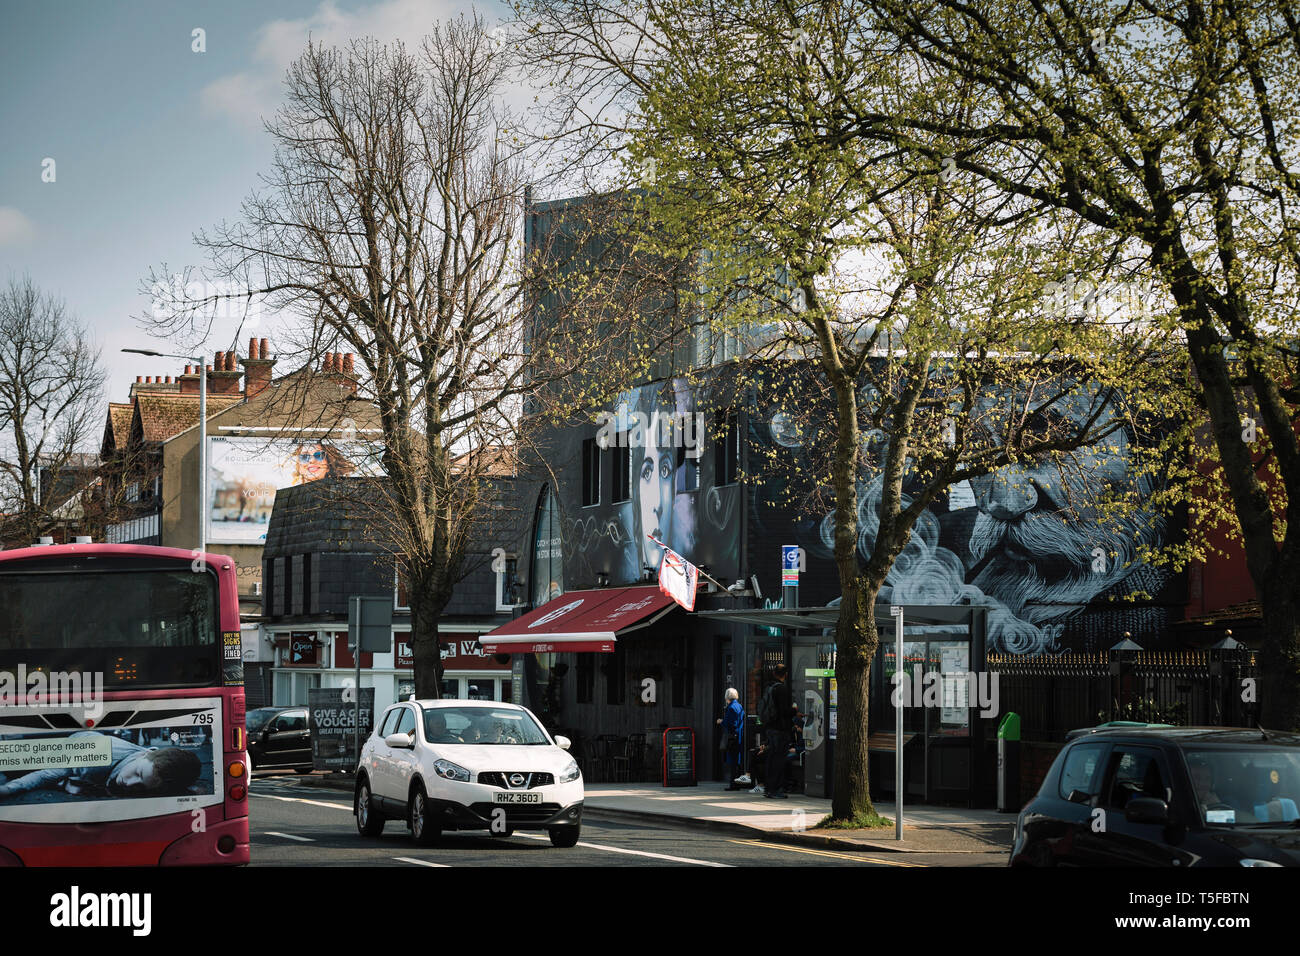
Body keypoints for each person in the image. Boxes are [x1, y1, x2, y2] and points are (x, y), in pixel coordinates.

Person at [0, 732, 201, 801]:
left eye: (141, 785)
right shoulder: (97, 756)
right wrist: (9, 789)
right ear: (146, 753)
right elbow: (45, 775)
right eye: (138, 773)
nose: (129, 783)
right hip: (62, 750)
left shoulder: (152, 763)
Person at [764, 665, 795, 799]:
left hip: (770, 728)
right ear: (785, 674)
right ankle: (775, 789)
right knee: (779, 759)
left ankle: (768, 788)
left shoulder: (769, 688)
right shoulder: (782, 689)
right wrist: (794, 710)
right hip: (780, 729)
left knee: (771, 758)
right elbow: (785, 711)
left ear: (774, 673)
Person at [716, 688, 744, 790]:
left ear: (727, 697)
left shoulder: (731, 707)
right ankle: (737, 783)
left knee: (733, 761)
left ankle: (733, 784)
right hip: (739, 736)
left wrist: (721, 721)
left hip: (732, 737)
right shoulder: (739, 706)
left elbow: (730, 723)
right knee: (737, 760)